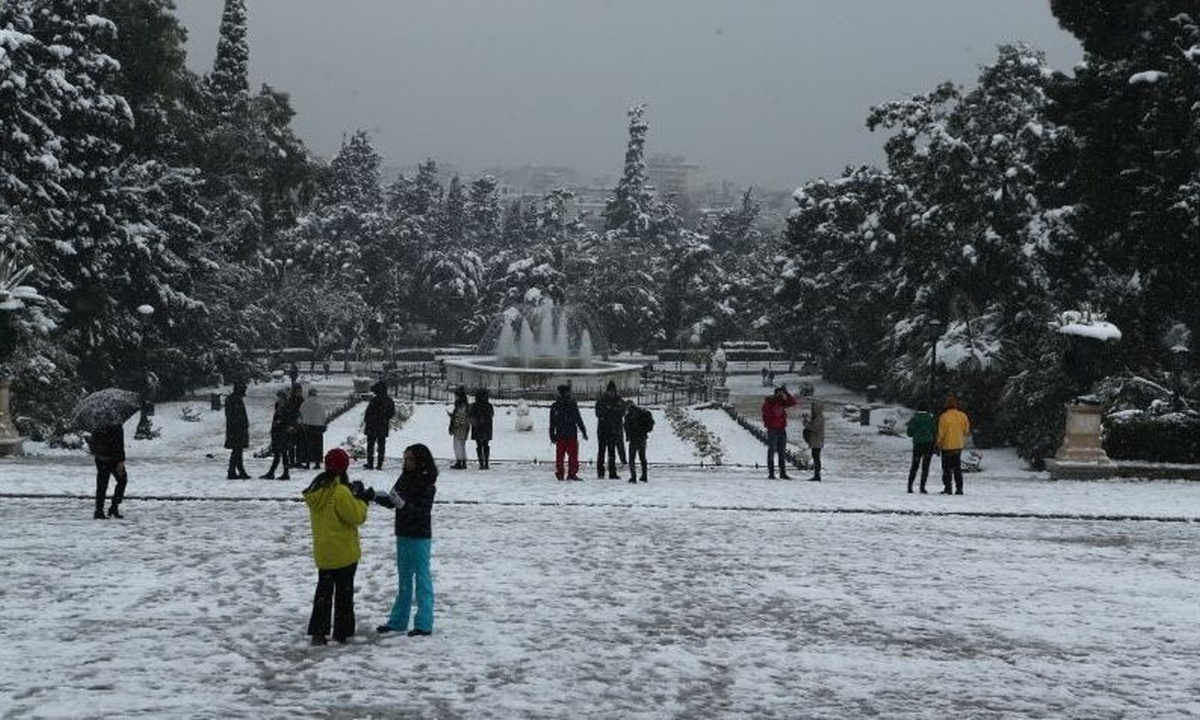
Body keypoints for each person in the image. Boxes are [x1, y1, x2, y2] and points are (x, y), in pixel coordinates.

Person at [302, 447, 370, 645]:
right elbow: (356, 516)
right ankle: (343, 631)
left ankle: (318, 632)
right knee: (344, 594)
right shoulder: (340, 491)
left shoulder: (317, 489)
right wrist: (362, 500)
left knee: (323, 593)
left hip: (324, 551)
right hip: (343, 551)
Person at [374, 443, 438, 637]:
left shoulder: (427, 482)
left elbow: (422, 512)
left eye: (410, 459)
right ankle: (398, 620)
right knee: (404, 578)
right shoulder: (404, 478)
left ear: (420, 460)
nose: (407, 462)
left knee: (422, 578)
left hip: (419, 534)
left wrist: (403, 505)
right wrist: (374, 496)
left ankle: (424, 623)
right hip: (403, 532)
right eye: (405, 459)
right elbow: (392, 500)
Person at [88, 422, 128, 519]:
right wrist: (121, 461)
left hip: (100, 457)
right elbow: (119, 444)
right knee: (122, 480)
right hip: (113, 458)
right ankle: (114, 507)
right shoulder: (116, 424)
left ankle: (99, 510)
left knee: (102, 484)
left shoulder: (99, 421)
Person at [549, 384, 588, 481]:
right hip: (566, 434)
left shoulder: (559, 406)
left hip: (566, 434)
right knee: (567, 456)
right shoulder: (562, 405)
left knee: (565, 456)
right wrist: (583, 430)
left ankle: (565, 473)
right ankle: (568, 474)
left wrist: (552, 435)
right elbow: (578, 419)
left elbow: (577, 418)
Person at [936, 395, 971, 495]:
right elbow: (966, 430)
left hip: (946, 446)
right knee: (957, 468)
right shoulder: (963, 416)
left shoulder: (944, 417)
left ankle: (948, 488)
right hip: (958, 445)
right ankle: (959, 488)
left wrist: (937, 443)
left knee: (946, 469)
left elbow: (941, 433)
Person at [760, 385, 796, 479]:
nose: (781, 395)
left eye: (782, 393)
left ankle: (782, 473)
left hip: (781, 429)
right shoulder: (769, 402)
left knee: (782, 452)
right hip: (773, 429)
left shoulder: (781, 401)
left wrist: (787, 393)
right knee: (772, 451)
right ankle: (771, 473)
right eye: (779, 393)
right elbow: (765, 413)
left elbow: (792, 402)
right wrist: (769, 423)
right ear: (775, 393)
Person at [594, 380, 626, 479]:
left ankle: (612, 472)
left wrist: (610, 411)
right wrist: (611, 412)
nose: (612, 393)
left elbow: (622, 412)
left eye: (613, 391)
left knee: (612, 452)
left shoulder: (618, 401)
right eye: (610, 391)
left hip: (614, 430)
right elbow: (599, 414)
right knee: (601, 452)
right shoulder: (602, 401)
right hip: (603, 430)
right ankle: (600, 472)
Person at [363, 380, 395, 470]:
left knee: (370, 445)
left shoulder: (374, 400)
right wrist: (385, 419)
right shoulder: (389, 400)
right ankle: (379, 464)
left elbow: (368, 412)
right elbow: (391, 413)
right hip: (382, 425)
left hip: (372, 425)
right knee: (381, 445)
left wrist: (368, 420)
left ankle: (370, 463)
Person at [260, 389, 292, 480]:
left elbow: (283, 421)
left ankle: (277, 473)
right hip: (279, 433)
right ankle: (278, 472)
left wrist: (278, 426)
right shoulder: (281, 408)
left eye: (279, 397)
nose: (278, 399)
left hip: (281, 434)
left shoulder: (284, 408)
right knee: (281, 454)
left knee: (281, 454)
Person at [905, 404, 936, 494]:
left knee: (914, 466)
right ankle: (922, 487)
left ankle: (910, 486)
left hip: (917, 445)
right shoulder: (930, 419)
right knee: (925, 466)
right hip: (928, 445)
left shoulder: (914, 419)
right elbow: (935, 432)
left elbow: (909, 433)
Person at [623, 401, 655, 483]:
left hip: (633, 439)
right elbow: (650, 424)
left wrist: (628, 436)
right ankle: (644, 476)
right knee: (642, 458)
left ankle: (633, 477)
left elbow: (626, 427)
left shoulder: (629, 415)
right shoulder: (643, 413)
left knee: (631, 459)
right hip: (642, 437)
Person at [224, 382, 250, 480]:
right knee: (237, 451)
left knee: (238, 451)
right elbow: (233, 416)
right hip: (236, 430)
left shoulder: (236, 399)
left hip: (237, 430)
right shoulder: (234, 400)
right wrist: (241, 425)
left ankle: (236, 471)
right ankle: (234, 471)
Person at [299, 388, 328, 470]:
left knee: (308, 444)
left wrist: (301, 422)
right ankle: (317, 462)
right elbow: (324, 415)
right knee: (318, 445)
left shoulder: (305, 403)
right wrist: (323, 423)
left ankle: (307, 462)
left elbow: (301, 413)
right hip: (319, 426)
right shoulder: (320, 402)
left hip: (308, 425)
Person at [467, 387, 494, 469]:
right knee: (486, 444)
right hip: (486, 427)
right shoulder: (489, 406)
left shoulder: (474, 406)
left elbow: (471, 415)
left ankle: (481, 463)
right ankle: (486, 463)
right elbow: (492, 414)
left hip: (477, 427)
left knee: (479, 445)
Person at [448, 386, 470, 470]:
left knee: (458, 445)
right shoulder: (464, 405)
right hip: (464, 427)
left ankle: (460, 461)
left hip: (459, 427)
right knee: (461, 445)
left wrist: (454, 424)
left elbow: (460, 417)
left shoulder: (460, 405)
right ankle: (462, 461)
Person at [804, 401, 826, 482]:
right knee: (815, 457)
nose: (812, 410)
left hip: (817, 440)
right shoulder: (816, 417)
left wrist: (807, 425)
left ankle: (817, 475)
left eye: (813, 408)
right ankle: (816, 474)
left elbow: (815, 428)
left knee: (816, 457)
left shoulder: (819, 417)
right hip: (815, 440)